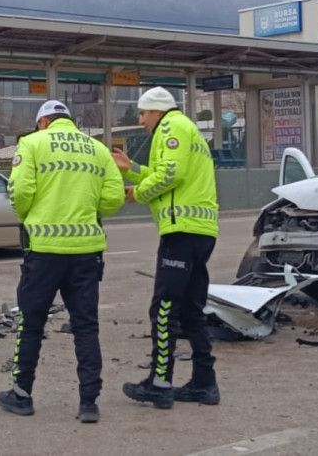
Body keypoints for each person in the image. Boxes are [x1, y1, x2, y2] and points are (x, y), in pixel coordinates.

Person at [0, 100, 125, 423]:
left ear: (43, 122)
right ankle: (89, 403)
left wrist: (29, 216)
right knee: (86, 326)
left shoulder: (32, 144)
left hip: (43, 251)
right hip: (86, 252)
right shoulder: (97, 149)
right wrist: (88, 211)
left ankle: (21, 395)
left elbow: (20, 191)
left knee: (31, 323)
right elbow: (113, 198)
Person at [110, 87, 220, 409]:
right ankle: (204, 383)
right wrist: (132, 168)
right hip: (200, 231)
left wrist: (137, 193)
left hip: (181, 232)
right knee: (191, 311)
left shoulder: (171, 126)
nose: (141, 119)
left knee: (163, 308)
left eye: (144, 113)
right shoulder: (187, 129)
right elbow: (166, 174)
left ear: (157, 111)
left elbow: (171, 175)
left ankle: (160, 383)